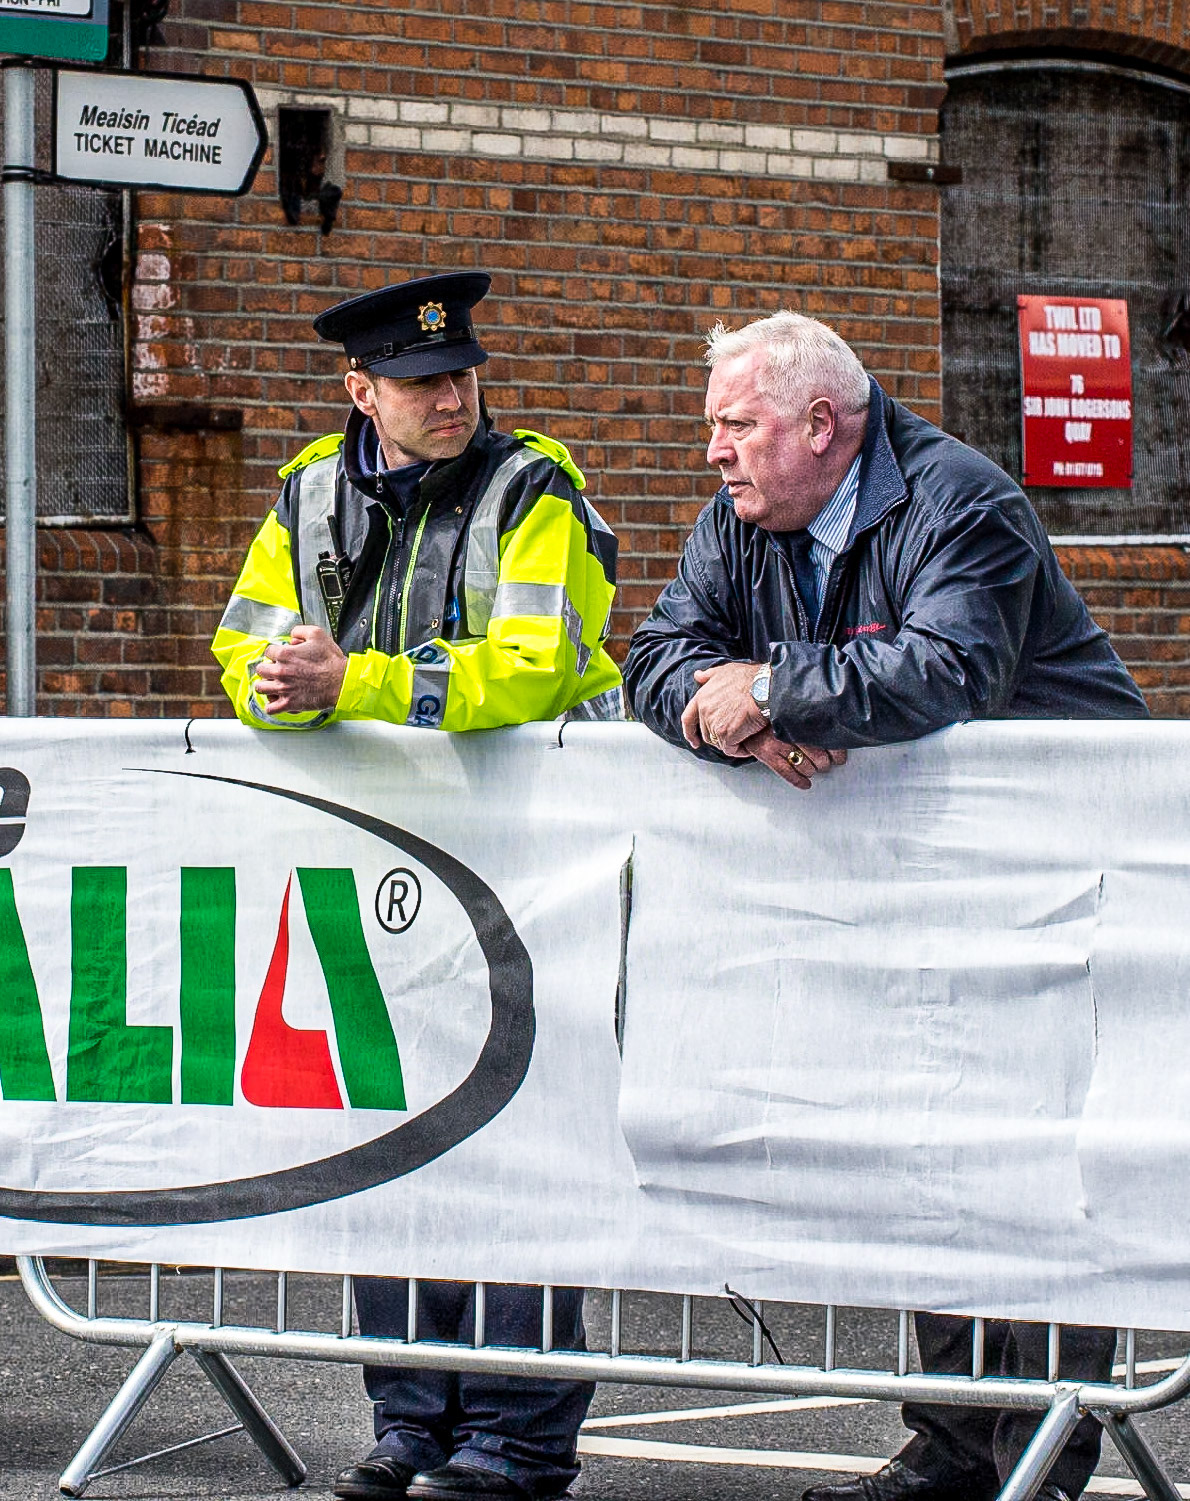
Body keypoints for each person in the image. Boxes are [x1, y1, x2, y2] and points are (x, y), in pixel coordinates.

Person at [622, 310, 1148, 1501]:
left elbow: (946, 668)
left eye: (734, 423)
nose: (712, 449)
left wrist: (770, 687)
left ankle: (1038, 1448)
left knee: (1028, 1162)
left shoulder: (964, 505)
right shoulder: (737, 521)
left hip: (1051, 883)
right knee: (932, 1150)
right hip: (913, 893)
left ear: (821, 424)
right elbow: (655, 653)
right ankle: (954, 1443)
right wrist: (729, 717)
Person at [213, 271, 621, 1501]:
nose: (452, 396)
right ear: (359, 391)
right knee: (391, 1134)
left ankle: (514, 1435)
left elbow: (540, 666)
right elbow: (243, 639)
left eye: (461, 375)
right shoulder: (305, 491)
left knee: (518, 1140)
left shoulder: (531, 487)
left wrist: (362, 684)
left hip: (533, 861)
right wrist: (272, 690)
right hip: (380, 861)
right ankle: (409, 1418)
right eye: (420, 382)